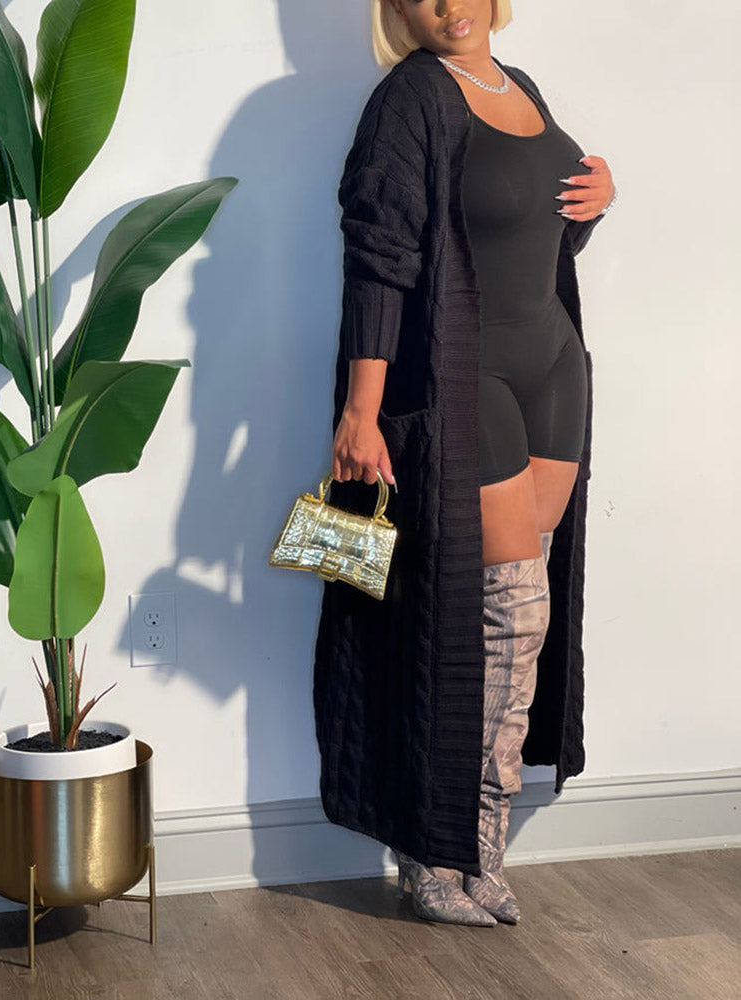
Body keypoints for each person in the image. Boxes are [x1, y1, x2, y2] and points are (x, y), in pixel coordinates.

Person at [314, 0, 616, 927]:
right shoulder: (408, 100)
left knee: (516, 620)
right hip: (459, 375)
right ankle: (440, 847)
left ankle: (477, 845)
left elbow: (530, 227)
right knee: (501, 615)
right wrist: (360, 412)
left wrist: (597, 196)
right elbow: (378, 258)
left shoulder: (521, 87)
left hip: (552, 372)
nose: (448, 5)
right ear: (398, 8)